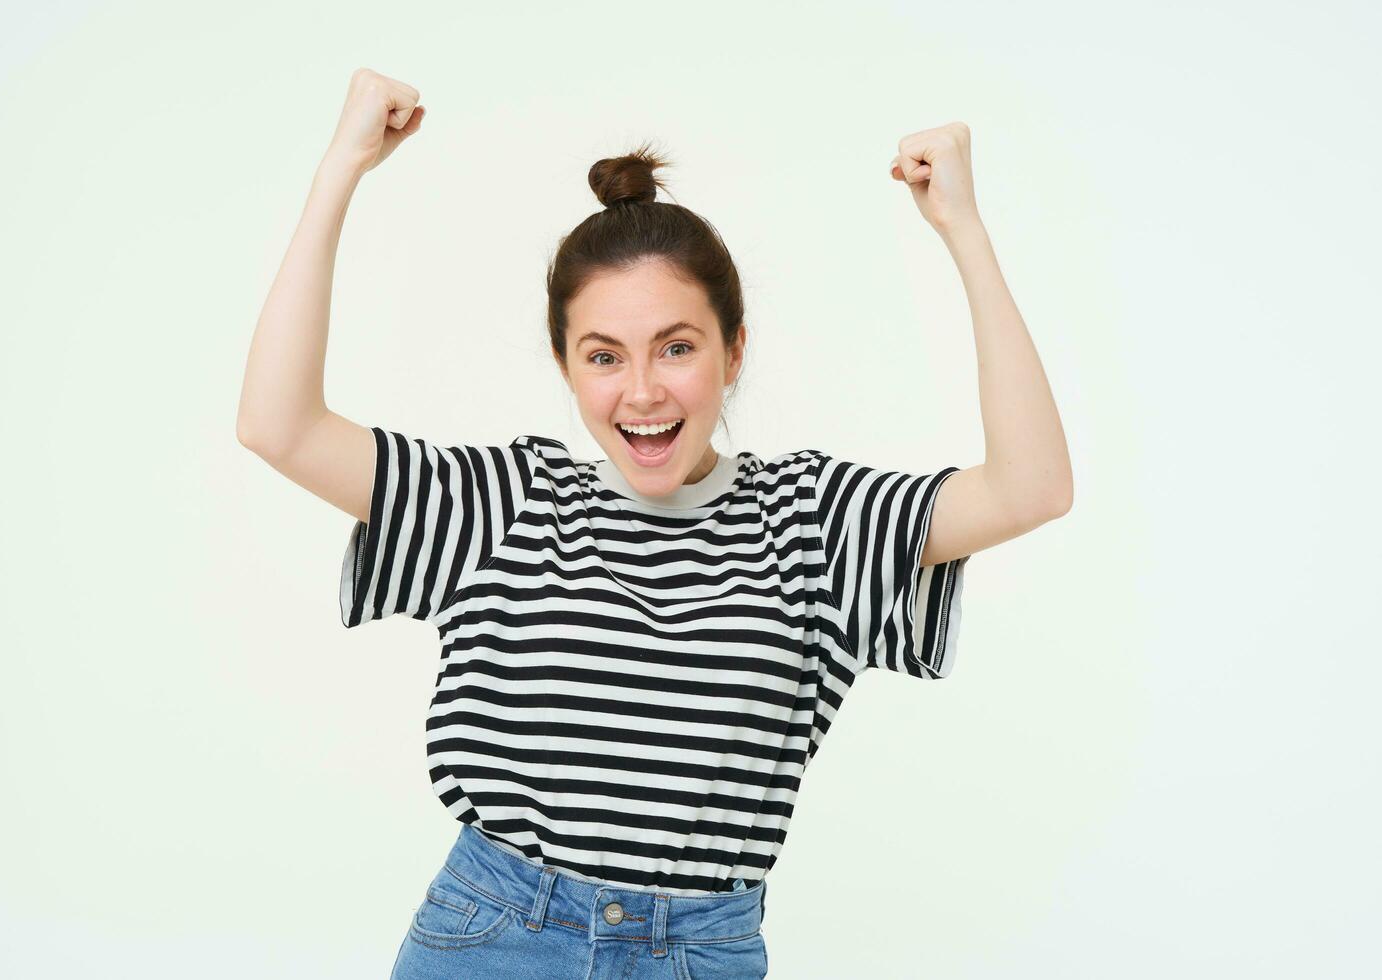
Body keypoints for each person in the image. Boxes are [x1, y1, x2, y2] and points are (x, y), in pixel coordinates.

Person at [237, 68, 1073, 980]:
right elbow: (278, 426)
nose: (642, 392)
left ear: (734, 349)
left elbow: (1031, 487)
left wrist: (964, 230)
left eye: (677, 347)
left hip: (701, 950)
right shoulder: (504, 503)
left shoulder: (816, 523)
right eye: (604, 356)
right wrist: (340, 170)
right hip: (494, 937)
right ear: (565, 365)